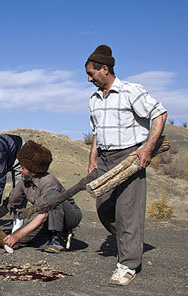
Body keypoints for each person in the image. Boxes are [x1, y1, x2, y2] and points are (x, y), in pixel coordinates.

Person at [85, 45, 167, 285]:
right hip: (105, 159)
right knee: (103, 208)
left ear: (105, 69)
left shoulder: (131, 91)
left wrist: (147, 148)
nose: (89, 79)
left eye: (92, 74)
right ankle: (131, 243)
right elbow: (96, 133)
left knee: (127, 211)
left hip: (130, 157)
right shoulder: (93, 100)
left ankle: (128, 264)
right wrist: (92, 159)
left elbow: (159, 113)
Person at [1, 140, 82, 252]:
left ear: (33, 172)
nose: (19, 170)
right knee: (21, 241)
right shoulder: (24, 182)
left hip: (69, 217)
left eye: (23, 168)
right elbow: (10, 203)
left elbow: (42, 216)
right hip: (47, 217)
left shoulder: (49, 182)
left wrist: (16, 236)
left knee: (53, 197)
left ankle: (57, 237)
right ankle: (51, 235)